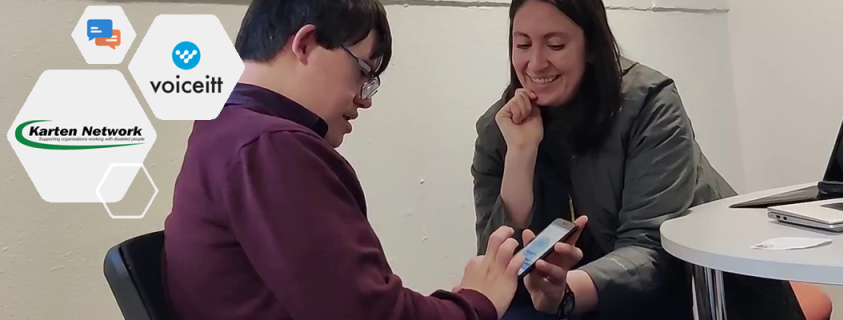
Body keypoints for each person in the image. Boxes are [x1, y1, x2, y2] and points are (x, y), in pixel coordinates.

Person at [162, 1, 586, 320]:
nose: (364, 99)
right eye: (364, 71)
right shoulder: (271, 147)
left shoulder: (224, 129)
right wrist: (474, 303)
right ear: (306, 44)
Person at [470, 0, 808, 319]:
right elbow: (494, 266)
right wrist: (521, 156)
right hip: (578, 298)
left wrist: (565, 292)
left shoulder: (649, 105)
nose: (536, 63)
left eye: (555, 45)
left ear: (591, 47)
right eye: (523, 44)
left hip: (699, 290)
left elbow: (651, 250)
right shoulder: (499, 129)